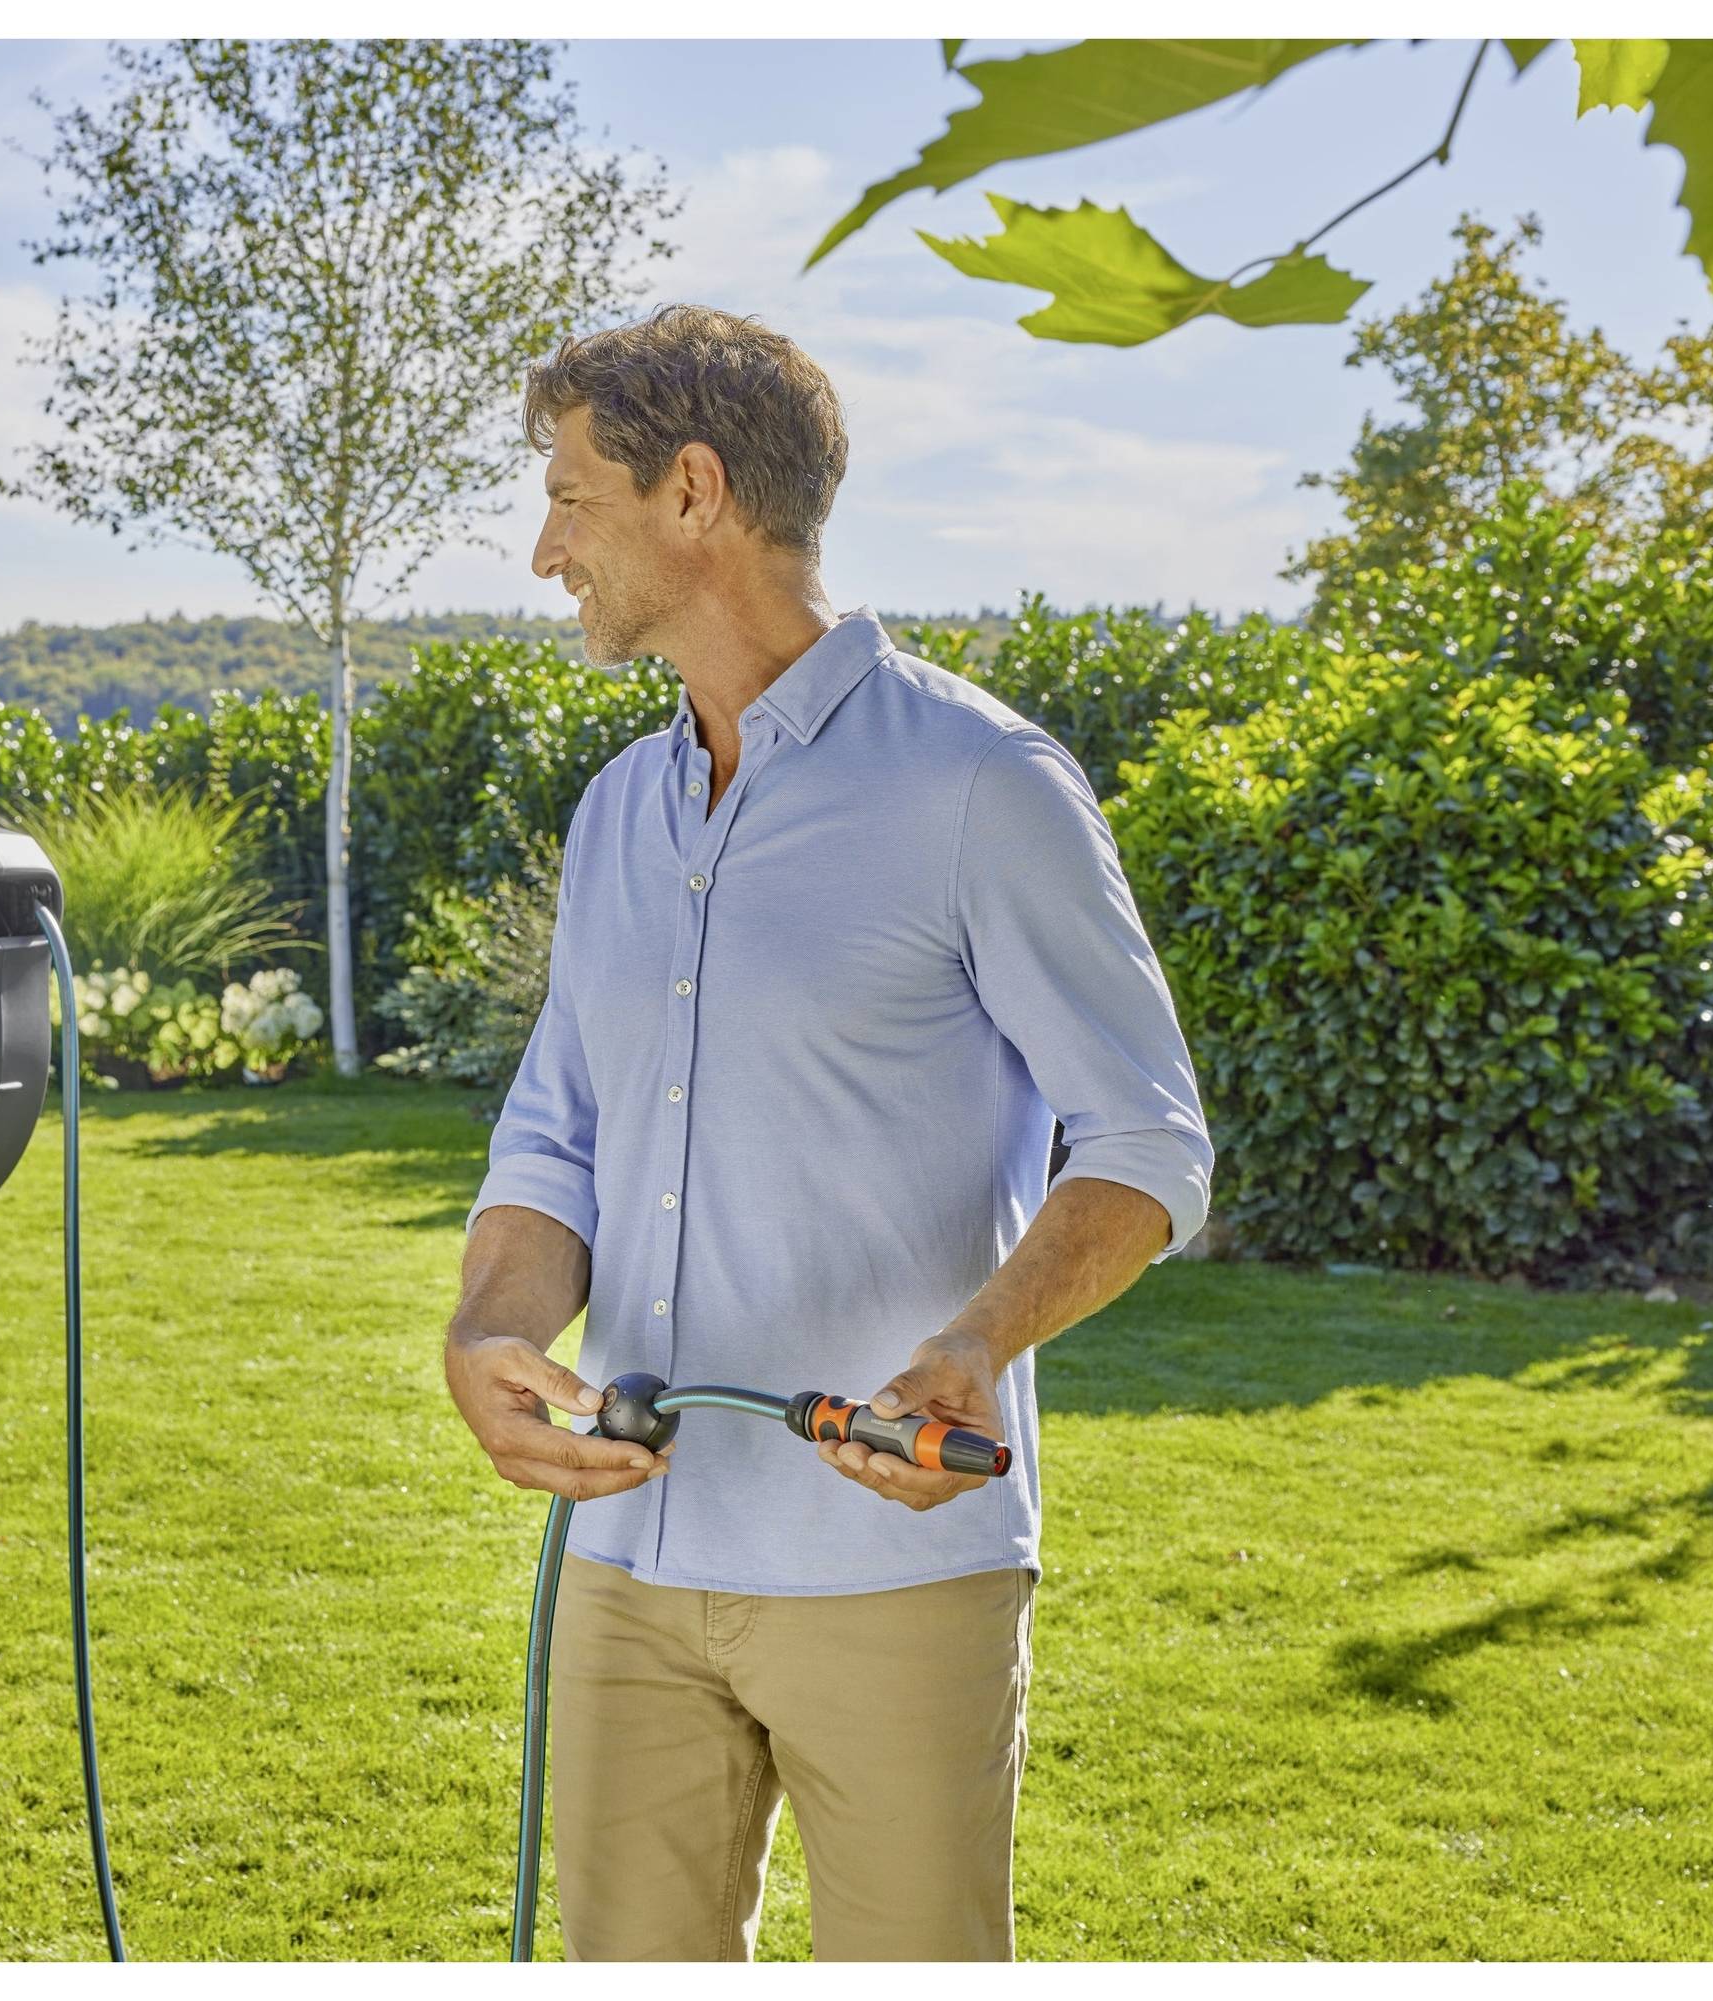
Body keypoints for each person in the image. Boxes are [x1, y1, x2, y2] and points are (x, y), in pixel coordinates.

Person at [443, 304, 1213, 1962]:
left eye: (572, 499)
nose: (542, 549)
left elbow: (1148, 1143)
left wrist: (977, 1345)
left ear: (695, 493)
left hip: (890, 1567)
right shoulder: (618, 812)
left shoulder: (979, 783)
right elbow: (556, 1131)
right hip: (632, 1552)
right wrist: (494, 1326)